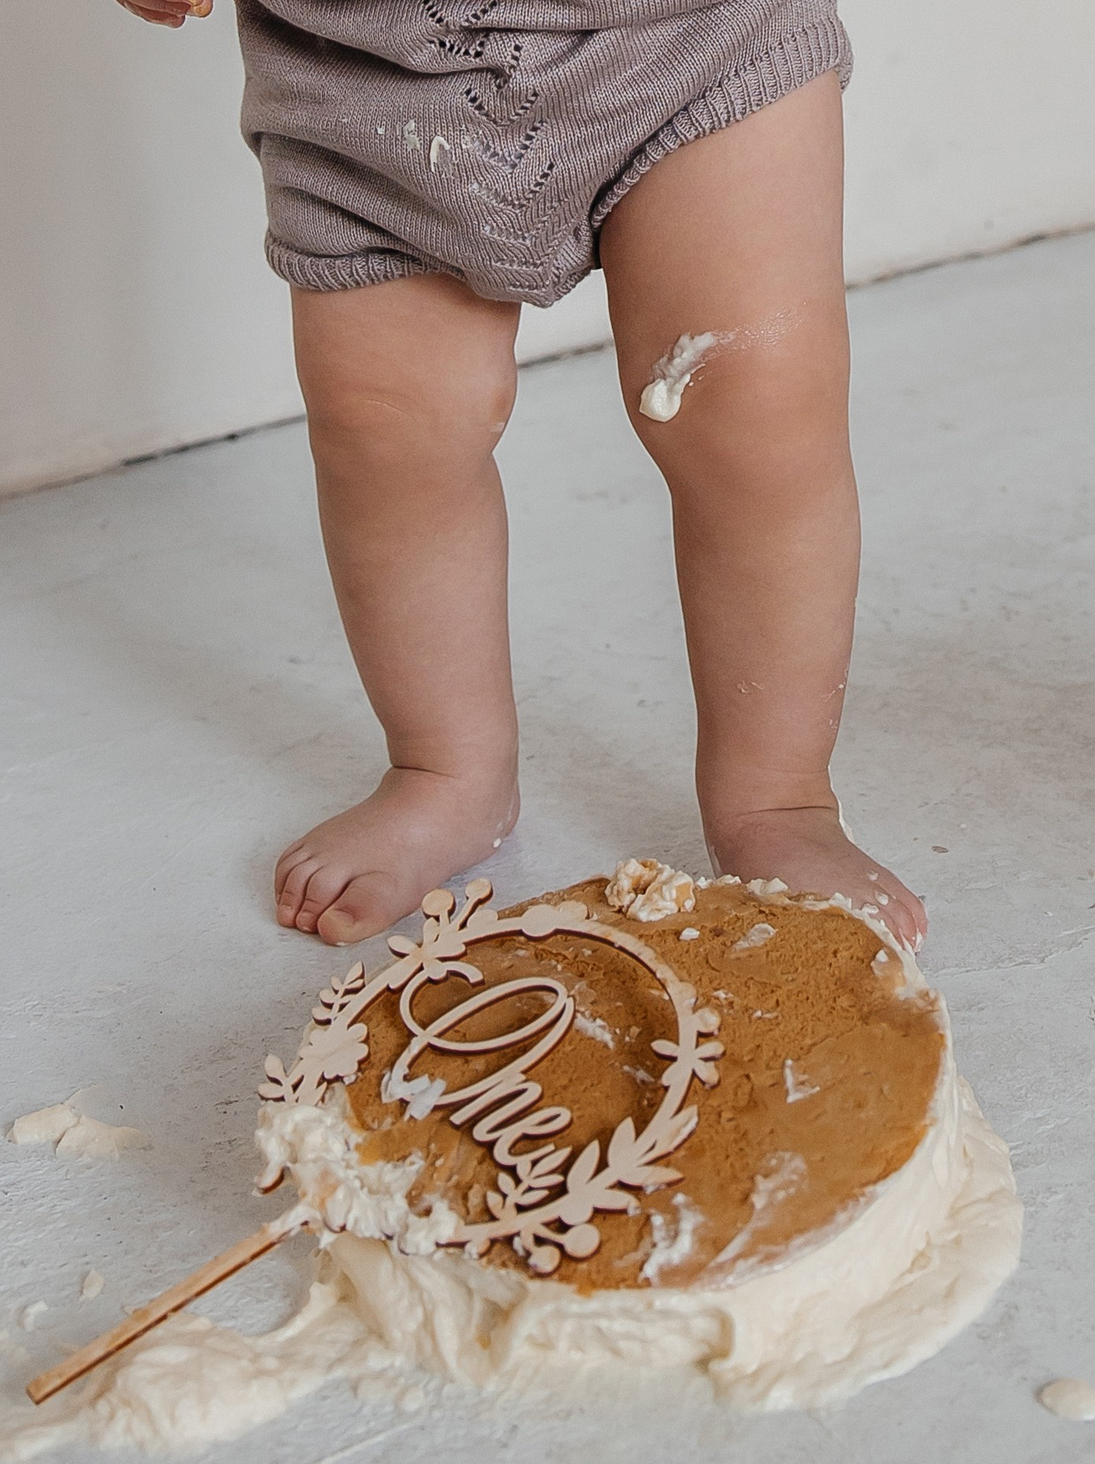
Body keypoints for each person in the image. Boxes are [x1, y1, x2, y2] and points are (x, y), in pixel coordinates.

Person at [115, 0, 926, 948]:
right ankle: (445, 770)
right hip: (366, 71)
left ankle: (777, 794)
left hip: (686, 39)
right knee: (388, 433)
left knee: (753, 407)